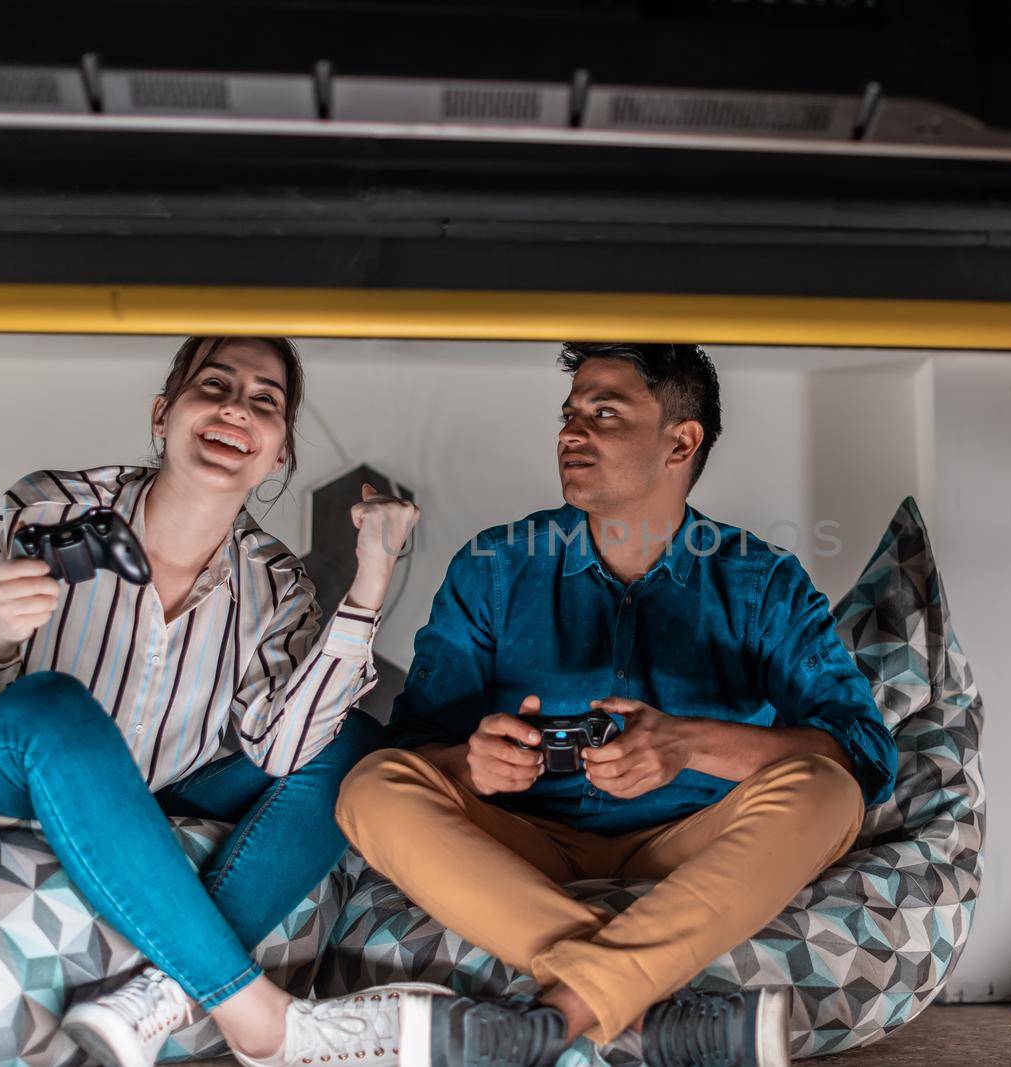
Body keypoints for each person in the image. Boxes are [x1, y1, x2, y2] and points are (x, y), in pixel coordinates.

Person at [334, 342, 899, 1067]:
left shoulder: (762, 580)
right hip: (524, 839)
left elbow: (863, 752)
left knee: (829, 791)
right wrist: (472, 763)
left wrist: (688, 744)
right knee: (368, 787)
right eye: (570, 414)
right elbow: (411, 751)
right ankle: (642, 1006)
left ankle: (560, 1009)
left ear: (681, 441)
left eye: (604, 413)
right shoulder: (495, 565)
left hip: (693, 839)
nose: (571, 434)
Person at [0, 336, 440, 1067]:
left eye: (265, 401)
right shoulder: (44, 509)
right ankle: (254, 1012)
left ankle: (159, 993)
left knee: (353, 744)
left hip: (142, 806)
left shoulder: (276, 585)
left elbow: (287, 752)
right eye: (214, 385)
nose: (235, 409)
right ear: (164, 414)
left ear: (279, 454)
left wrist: (372, 576)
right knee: (50, 707)